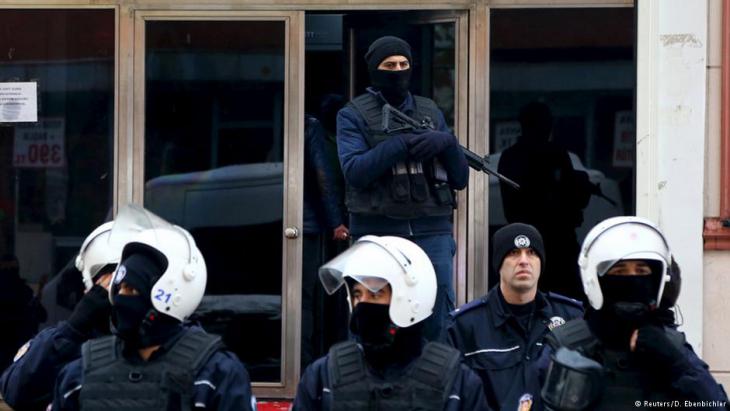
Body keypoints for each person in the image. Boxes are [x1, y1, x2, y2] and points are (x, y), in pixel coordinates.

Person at [53, 208, 254, 411]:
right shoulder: (80, 374)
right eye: (120, 288)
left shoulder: (214, 376)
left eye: (132, 290)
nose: (122, 298)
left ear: (168, 295)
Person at [336, 35, 469, 341]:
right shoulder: (353, 114)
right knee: (371, 319)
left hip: (431, 230)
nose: (398, 70)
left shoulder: (430, 111)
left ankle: (434, 382)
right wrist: (398, 144)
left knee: (436, 319)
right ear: (375, 70)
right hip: (376, 234)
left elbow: (460, 179)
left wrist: (447, 143)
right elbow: (355, 172)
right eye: (389, 65)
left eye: (403, 64)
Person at [538, 216, 729, 411]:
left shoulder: (672, 346)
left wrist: (677, 365)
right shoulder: (565, 346)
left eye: (641, 271)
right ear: (595, 280)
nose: (632, 280)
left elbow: (716, 406)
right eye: (619, 271)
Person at [293, 235, 488, 410]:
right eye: (357, 294)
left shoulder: (458, 383)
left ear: (411, 299)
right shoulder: (322, 376)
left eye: (375, 294)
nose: (362, 304)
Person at [445, 223, 583, 411]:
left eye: (532, 252)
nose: (524, 261)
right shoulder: (464, 326)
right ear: (498, 263)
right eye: (513, 253)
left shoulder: (572, 318)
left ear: (541, 262)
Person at [0, 222, 119, 411]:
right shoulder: (71, 341)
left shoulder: (162, 340)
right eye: (111, 284)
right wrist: (73, 330)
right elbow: (15, 390)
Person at [497, 102, 593, 300]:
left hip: (555, 242)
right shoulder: (546, 154)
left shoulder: (516, 156)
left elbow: (573, 196)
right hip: (539, 242)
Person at [302, 113, 350, 367]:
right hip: (307, 226)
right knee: (306, 302)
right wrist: (336, 222)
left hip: (283, 221)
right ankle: (304, 366)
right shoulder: (310, 126)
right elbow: (323, 175)